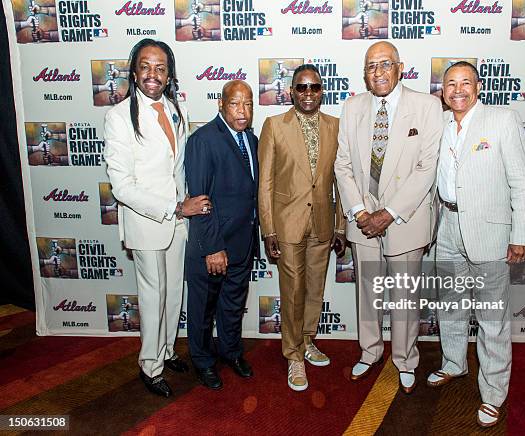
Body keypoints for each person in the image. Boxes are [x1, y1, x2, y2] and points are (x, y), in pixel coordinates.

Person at [426, 61, 525, 427]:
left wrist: (522, 233)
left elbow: (521, 182)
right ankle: (454, 364)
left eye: (465, 83)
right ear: (442, 91)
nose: (458, 90)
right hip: (448, 226)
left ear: (478, 86)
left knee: (492, 318)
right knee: (451, 305)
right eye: (450, 84)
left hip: (489, 231)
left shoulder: (502, 119)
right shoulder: (439, 124)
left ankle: (493, 393)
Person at [104, 39, 211, 398]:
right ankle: (150, 367)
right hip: (147, 221)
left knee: (172, 293)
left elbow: (177, 170)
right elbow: (122, 186)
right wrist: (175, 208)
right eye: (146, 66)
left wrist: (185, 210)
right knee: (153, 297)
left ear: (169, 75)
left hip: (178, 224)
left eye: (161, 68)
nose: (153, 74)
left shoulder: (175, 110)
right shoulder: (119, 116)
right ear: (134, 71)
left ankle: (166, 351)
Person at [334, 41, 443, 394]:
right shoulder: (352, 107)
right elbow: (343, 164)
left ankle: (406, 359)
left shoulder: (426, 106)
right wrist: (360, 211)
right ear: (364, 73)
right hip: (362, 220)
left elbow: (427, 168)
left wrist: (389, 213)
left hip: (405, 221)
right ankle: (369, 351)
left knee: (404, 297)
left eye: (385, 64)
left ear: (400, 67)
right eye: (371, 66)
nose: (378, 72)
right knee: (367, 292)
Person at [258, 64, 347, 391]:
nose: (308, 93)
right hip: (287, 223)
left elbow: (341, 181)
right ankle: (293, 355)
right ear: (291, 91)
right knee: (293, 291)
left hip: (322, 222)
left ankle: (308, 340)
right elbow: (265, 183)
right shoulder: (274, 126)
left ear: (322, 91)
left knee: (314, 288)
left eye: (314, 88)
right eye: (301, 87)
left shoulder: (335, 126)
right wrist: (268, 229)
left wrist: (340, 225)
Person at [185, 80, 259, 390]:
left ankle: (231, 351)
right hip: (213, 247)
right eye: (235, 104)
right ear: (221, 104)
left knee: (232, 305)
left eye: (248, 104)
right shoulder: (203, 140)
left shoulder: (252, 141)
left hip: (242, 244)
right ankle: (202, 361)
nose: (243, 111)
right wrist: (213, 247)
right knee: (203, 309)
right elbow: (200, 200)